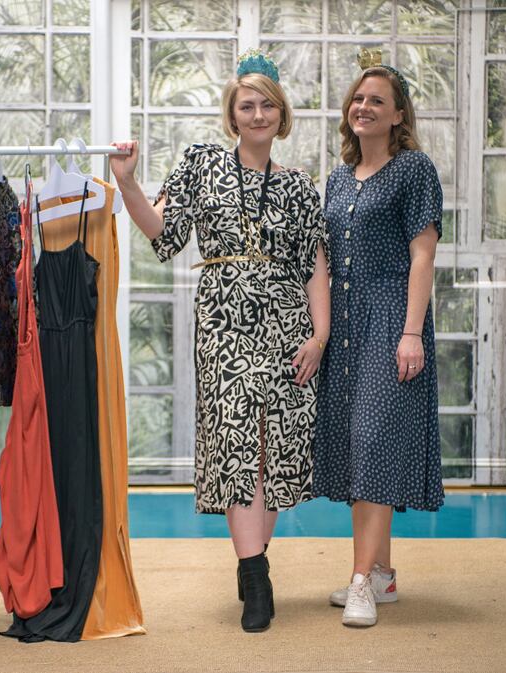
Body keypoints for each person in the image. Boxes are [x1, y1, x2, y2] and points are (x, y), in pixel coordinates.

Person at [110, 49, 330, 633]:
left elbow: (315, 268)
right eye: (246, 105)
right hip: (226, 325)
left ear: (281, 115)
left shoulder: (302, 186)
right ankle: (256, 578)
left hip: (288, 326)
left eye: (267, 105)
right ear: (232, 115)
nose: (257, 115)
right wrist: (128, 184)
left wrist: (321, 334)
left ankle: (253, 564)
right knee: (236, 446)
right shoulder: (202, 164)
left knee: (273, 450)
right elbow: (164, 234)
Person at [312, 48, 445, 628]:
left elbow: (423, 255)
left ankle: (361, 580)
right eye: (358, 99)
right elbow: (322, 258)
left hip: (393, 318)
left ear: (398, 116)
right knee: (356, 445)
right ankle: (382, 572)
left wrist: (411, 331)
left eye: (377, 101)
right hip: (345, 325)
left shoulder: (415, 170)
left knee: (372, 444)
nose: (364, 107)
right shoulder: (338, 179)